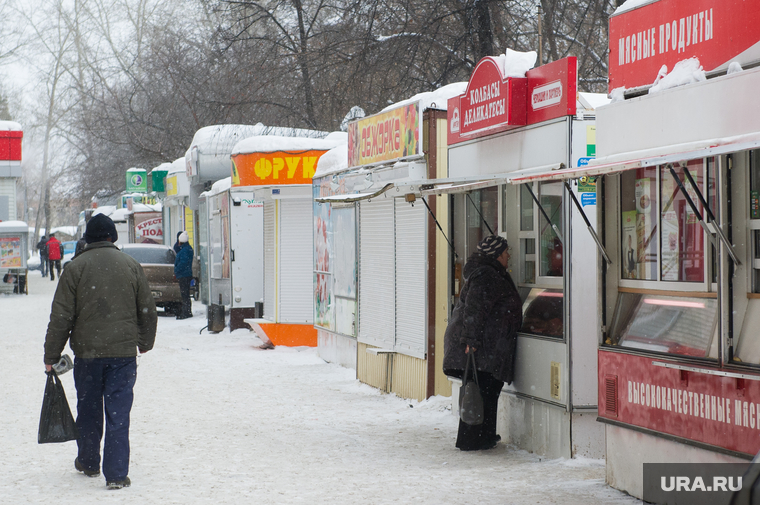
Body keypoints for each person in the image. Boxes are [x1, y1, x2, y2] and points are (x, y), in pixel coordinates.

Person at [43, 214, 157, 490]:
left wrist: (51, 356)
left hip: (88, 354)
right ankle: (117, 474)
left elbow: (61, 317)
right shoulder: (131, 266)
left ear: (88, 238)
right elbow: (148, 310)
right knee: (118, 412)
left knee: (89, 408)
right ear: (112, 237)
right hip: (123, 354)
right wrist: (145, 342)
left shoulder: (75, 268)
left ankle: (89, 462)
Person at [443, 235, 522, 451]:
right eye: (506, 253)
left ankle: (483, 436)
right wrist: (471, 340)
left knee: (486, 390)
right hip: (482, 346)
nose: (508, 257)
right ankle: (472, 439)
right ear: (496, 255)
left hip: (487, 344)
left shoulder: (489, 273)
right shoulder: (487, 275)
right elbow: (475, 310)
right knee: (480, 391)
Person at [174, 231, 193, 320]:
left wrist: (177, 270)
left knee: (185, 294)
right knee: (185, 294)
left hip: (184, 275)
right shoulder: (187, 249)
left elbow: (183, 262)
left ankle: (186, 312)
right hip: (186, 274)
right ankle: (187, 311)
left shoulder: (184, 250)